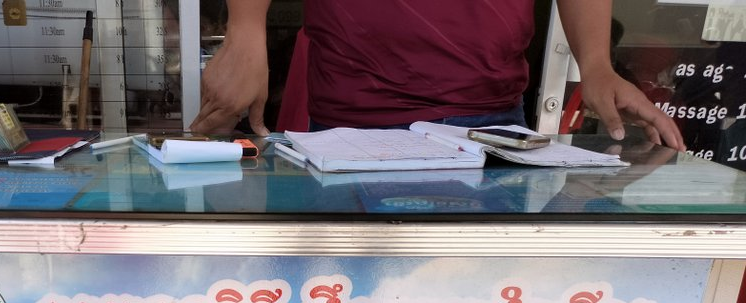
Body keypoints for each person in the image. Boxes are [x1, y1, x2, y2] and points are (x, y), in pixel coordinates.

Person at [189, 0, 686, 150]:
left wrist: (595, 64)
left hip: (488, 114)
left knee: (468, 301)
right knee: (345, 297)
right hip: (353, 111)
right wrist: (246, 29)